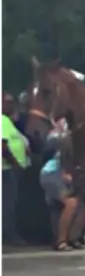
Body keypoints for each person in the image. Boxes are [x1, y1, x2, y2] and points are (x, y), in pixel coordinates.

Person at [39, 120, 85, 250]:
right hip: (52, 173)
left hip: (68, 175)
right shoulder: (67, 141)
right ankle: (61, 241)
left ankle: (74, 237)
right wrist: (66, 172)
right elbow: (63, 158)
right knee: (71, 203)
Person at [2, 96, 30, 245]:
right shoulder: (2, 120)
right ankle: (8, 235)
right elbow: (2, 146)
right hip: (6, 169)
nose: (10, 105)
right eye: (7, 102)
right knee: (7, 204)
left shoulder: (7, 120)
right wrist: (15, 163)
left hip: (9, 168)